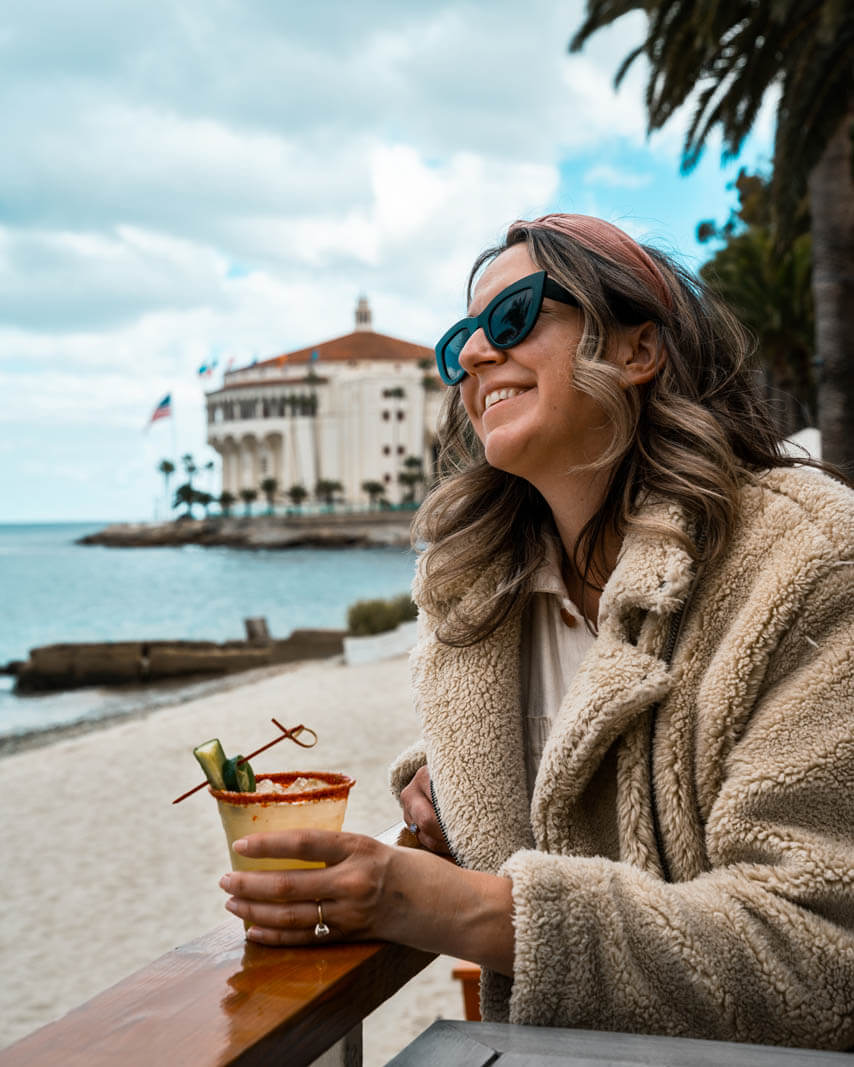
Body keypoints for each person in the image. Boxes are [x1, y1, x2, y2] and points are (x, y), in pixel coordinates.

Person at [218, 214, 854, 1050]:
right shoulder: (474, 608)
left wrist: (435, 902)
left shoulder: (808, 561)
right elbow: (589, 753)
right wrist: (451, 781)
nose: (477, 356)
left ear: (638, 349)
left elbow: (821, 955)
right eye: (460, 343)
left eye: (514, 317)